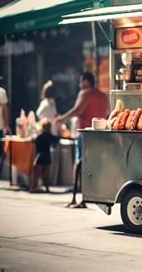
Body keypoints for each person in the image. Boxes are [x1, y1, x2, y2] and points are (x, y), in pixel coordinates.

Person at [55, 72, 108, 207]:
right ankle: (91, 196)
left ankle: (80, 198)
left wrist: (61, 119)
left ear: (85, 81)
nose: (79, 85)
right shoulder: (103, 96)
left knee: (79, 165)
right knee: (94, 167)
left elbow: (77, 110)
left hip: (85, 135)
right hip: (100, 135)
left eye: (80, 82)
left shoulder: (85, 93)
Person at [32, 119, 58, 193]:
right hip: (47, 156)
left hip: (39, 156)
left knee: (37, 173)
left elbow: (34, 141)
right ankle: (46, 187)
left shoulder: (39, 136)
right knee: (46, 174)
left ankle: (35, 186)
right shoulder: (50, 136)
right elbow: (56, 140)